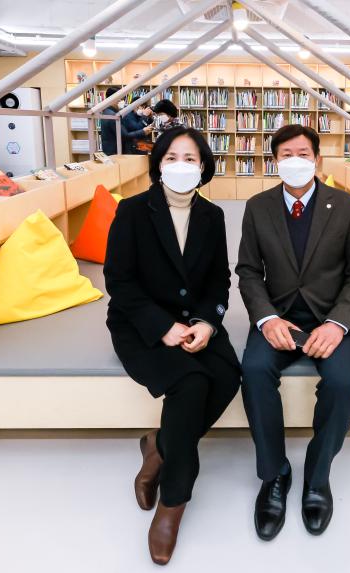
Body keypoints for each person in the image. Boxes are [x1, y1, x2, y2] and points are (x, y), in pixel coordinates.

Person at [104, 126, 241, 566]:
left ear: (204, 167)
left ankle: (159, 446)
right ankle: (173, 503)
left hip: (194, 323)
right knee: (191, 382)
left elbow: (219, 279)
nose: (181, 166)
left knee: (227, 376)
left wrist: (206, 322)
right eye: (171, 158)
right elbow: (119, 282)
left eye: (190, 159)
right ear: (158, 164)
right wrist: (162, 327)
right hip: (140, 324)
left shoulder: (212, 216)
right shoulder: (132, 211)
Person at [237, 124, 350, 540]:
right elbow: (248, 271)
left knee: (340, 384)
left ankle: (317, 476)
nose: (295, 161)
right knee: (253, 371)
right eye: (286, 155)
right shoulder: (258, 207)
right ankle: (274, 474)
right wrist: (267, 318)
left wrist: (337, 323)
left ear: (317, 159)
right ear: (274, 161)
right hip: (279, 319)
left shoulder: (347, 206)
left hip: (333, 320)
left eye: (303, 154)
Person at [101, 87, 154, 156]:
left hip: (114, 151)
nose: (121, 101)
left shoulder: (109, 113)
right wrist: (143, 131)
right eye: (120, 98)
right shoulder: (113, 116)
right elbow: (125, 135)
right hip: (114, 153)